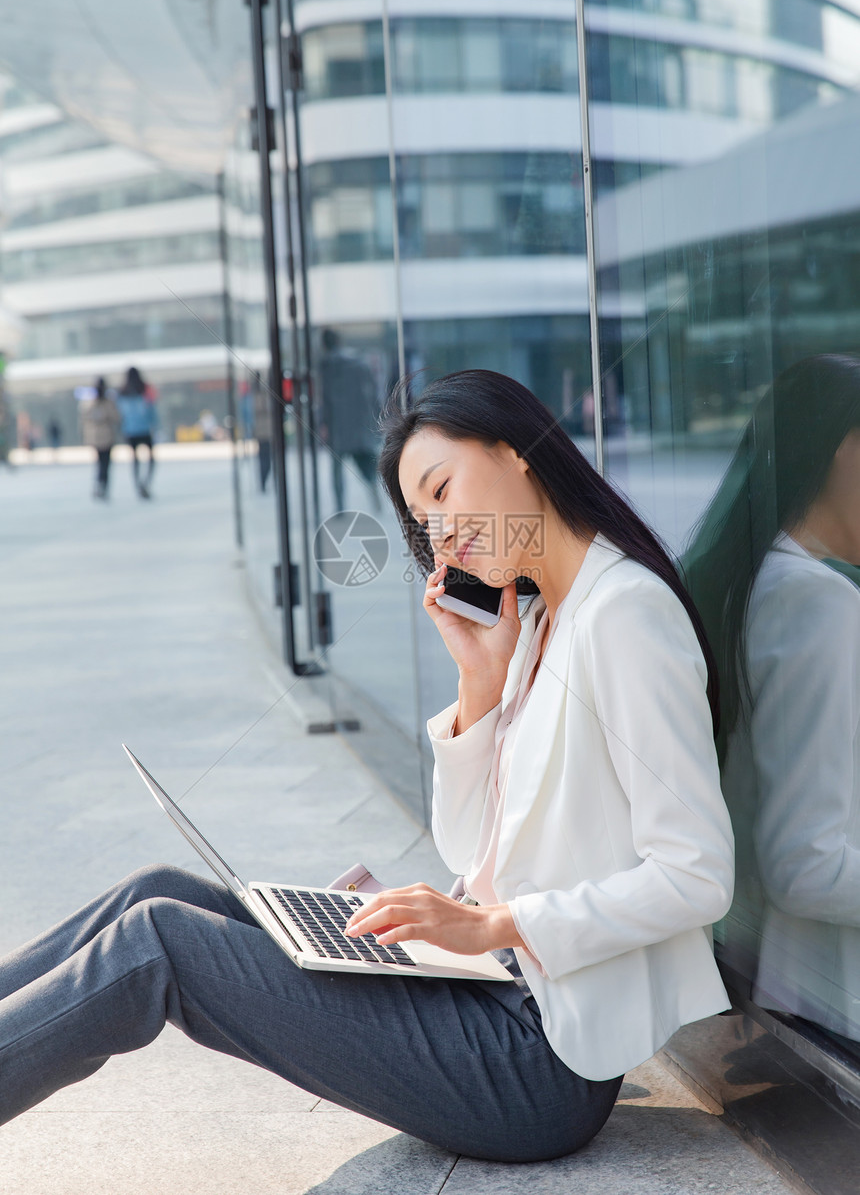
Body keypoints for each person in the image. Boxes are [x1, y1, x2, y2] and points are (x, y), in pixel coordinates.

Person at [0, 370, 734, 1162]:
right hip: (487, 986)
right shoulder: (545, 619)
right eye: (425, 520)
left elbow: (697, 875)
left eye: (444, 490)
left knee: (158, 943)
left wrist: (493, 925)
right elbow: (467, 848)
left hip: (538, 1062)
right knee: (157, 888)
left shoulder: (623, 615)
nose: (442, 534)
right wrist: (480, 689)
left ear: (517, 451)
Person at [684, 355, 860, 1044]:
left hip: (771, 982)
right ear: (847, 453)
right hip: (828, 995)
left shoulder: (747, 580)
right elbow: (806, 866)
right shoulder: (818, 603)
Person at [318, 328, 380, 511]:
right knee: (366, 464)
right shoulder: (360, 362)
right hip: (360, 423)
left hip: (338, 425)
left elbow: (325, 398)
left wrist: (323, 423)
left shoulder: (328, 365)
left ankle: (339, 506)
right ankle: (375, 496)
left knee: (337, 469)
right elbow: (373, 394)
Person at [118, 366, 158, 499]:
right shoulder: (145, 389)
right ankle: (146, 483)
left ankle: (138, 484)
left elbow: (120, 413)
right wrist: (155, 426)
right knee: (151, 458)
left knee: (135, 460)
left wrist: (122, 428)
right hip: (145, 429)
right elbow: (151, 409)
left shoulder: (122, 391)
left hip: (130, 430)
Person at [81, 378, 121, 500]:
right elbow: (116, 417)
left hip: (96, 437)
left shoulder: (89, 403)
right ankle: (103, 487)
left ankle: (100, 486)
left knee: (100, 463)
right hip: (106, 437)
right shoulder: (107, 403)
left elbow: (84, 420)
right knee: (105, 464)